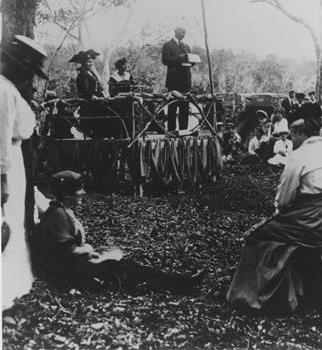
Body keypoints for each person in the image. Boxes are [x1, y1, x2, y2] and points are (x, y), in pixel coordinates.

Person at [227, 116, 322, 311]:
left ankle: (252, 294)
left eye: (292, 135)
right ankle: (292, 285)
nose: (292, 139)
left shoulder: (300, 155)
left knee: (257, 234)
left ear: (299, 134)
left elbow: (284, 200)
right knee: (274, 229)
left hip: (312, 219)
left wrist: (277, 215)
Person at [37, 170, 204, 293]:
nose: (83, 193)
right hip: (72, 273)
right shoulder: (57, 215)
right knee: (130, 269)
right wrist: (89, 251)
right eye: (79, 189)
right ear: (66, 194)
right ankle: (182, 284)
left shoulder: (60, 210)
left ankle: (178, 283)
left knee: (130, 268)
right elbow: (65, 251)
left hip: (78, 266)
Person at [1, 35, 48, 310]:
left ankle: (13, 288)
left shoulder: (9, 88)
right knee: (7, 223)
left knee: (15, 221)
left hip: (14, 159)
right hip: (7, 162)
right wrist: (3, 180)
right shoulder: (4, 91)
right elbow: (2, 137)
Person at [162, 27, 194, 134]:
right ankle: (171, 132)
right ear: (175, 32)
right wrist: (179, 57)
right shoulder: (168, 45)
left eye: (185, 33)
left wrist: (192, 60)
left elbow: (190, 60)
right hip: (174, 80)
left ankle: (183, 131)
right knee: (172, 107)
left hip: (185, 80)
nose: (183, 34)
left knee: (184, 107)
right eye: (181, 32)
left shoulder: (186, 46)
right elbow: (165, 60)